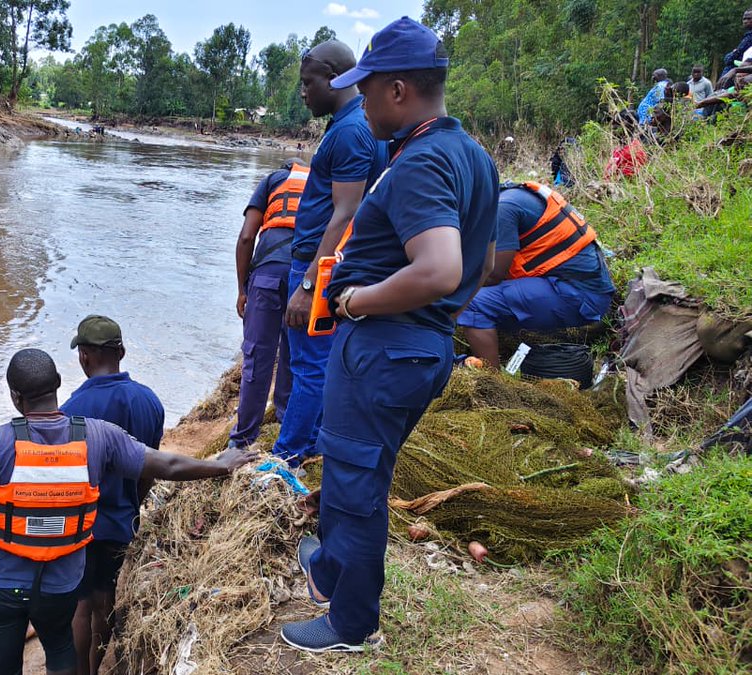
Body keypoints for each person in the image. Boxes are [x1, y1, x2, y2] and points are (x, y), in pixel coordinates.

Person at [281, 17, 498, 653]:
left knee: (353, 485)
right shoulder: (471, 155)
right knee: (364, 470)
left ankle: (350, 622)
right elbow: (480, 267)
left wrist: (353, 302)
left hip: (383, 347)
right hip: (422, 345)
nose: (361, 101)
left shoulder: (422, 163)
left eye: (367, 88)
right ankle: (328, 566)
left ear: (398, 90)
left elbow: (441, 268)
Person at [0, 349, 256, 675]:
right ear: (59, 383)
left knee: (2, 665)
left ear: (15, 396)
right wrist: (221, 466)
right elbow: (165, 463)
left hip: (0, 583)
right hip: (60, 585)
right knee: (61, 650)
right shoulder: (98, 436)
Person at [274, 39, 386, 467]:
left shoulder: (353, 131)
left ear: (335, 78)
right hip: (325, 263)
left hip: (318, 266)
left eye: (308, 83)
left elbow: (346, 212)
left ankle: (286, 459)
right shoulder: (351, 124)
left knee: (309, 367)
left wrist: (307, 284)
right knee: (317, 363)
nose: (303, 92)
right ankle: (314, 446)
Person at [61, 317, 165, 675]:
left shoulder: (71, 410)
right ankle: (99, 664)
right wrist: (132, 504)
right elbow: (150, 465)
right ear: (120, 352)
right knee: (106, 597)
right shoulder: (149, 402)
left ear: (84, 357)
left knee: (80, 605)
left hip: (82, 525)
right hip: (122, 520)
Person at [458, 182, 614, 368]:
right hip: (575, 286)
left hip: (579, 296)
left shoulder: (503, 209)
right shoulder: (511, 196)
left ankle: (491, 381)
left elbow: (494, 274)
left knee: (472, 303)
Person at [229, 160, 307, 450]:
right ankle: (286, 427)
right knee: (293, 355)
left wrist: (241, 290)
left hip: (268, 275)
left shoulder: (271, 180)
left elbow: (247, 236)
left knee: (257, 358)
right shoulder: (322, 182)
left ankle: (242, 439)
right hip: (306, 277)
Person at [605, 109, 649, 179]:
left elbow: (627, 182)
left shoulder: (633, 151)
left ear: (630, 126)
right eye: (612, 123)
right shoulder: (619, 148)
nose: (612, 127)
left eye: (617, 124)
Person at [724, 9, 752, 76]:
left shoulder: (750, 37)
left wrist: (731, 55)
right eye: (744, 19)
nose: (745, 21)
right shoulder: (747, 35)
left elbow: (735, 55)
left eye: (749, 19)